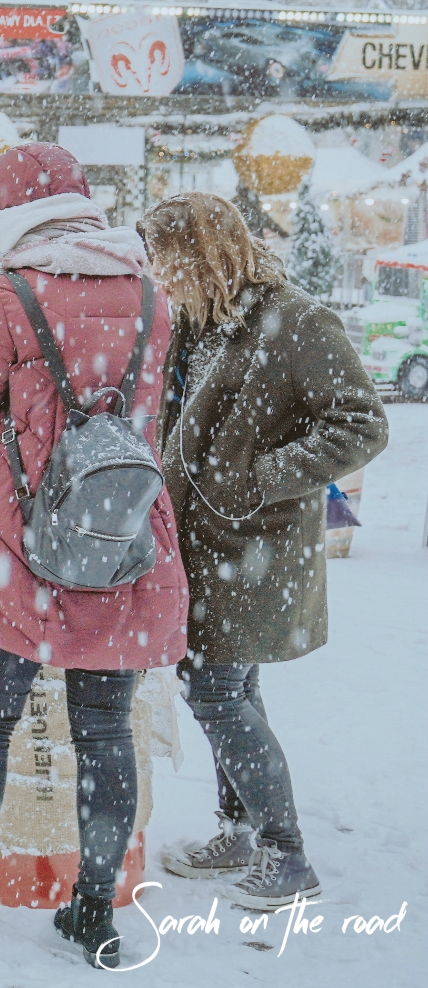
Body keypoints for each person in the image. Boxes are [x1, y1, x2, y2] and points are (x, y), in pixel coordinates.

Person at [0, 145, 187, 969]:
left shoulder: (2, 299)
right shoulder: (150, 296)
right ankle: (93, 909)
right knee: (105, 732)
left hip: (18, 545)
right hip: (118, 537)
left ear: (4, 222)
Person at [138, 192, 387, 912]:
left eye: (165, 260)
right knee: (226, 689)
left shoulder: (295, 320)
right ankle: (239, 830)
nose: (159, 276)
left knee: (215, 693)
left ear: (200, 254)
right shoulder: (200, 319)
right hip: (202, 544)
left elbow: (362, 423)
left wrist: (260, 479)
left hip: (253, 548)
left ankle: (286, 853)